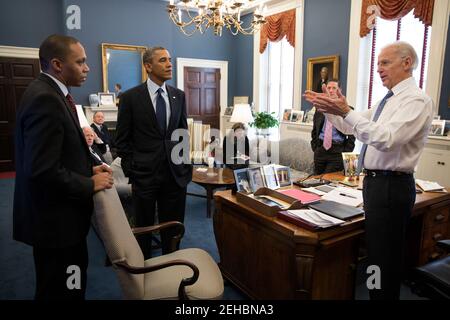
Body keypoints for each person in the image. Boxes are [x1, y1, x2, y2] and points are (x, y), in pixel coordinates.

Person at [304, 41, 433, 300]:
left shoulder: (417, 101)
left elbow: (386, 138)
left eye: (385, 63)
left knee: (384, 259)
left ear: (407, 63)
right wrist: (331, 111)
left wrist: (345, 111)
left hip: (391, 186)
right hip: (375, 184)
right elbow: (353, 126)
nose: (379, 69)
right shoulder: (386, 101)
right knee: (377, 252)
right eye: (377, 64)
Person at [13, 34, 114, 300]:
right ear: (57, 64)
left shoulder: (53, 93)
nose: (87, 68)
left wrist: (88, 169)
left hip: (59, 220)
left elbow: (59, 155)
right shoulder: (45, 98)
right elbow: (42, 170)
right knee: (62, 291)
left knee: (67, 286)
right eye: (80, 62)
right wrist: (89, 183)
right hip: (56, 225)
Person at [115, 46, 192, 258]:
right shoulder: (130, 98)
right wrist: (133, 170)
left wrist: (185, 168)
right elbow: (122, 140)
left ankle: (173, 265)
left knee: (173, 229)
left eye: (170, 59)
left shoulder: (179, 96)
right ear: (148, 66)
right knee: (144, 230)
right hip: (144, 177)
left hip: (175, 177)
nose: (169, 64)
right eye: (162, 60)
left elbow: (182, 133)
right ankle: (145, 272)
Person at [310, 79, 355, 174]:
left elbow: (352, 134)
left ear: (339, 90)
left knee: (329, 182)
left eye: (334, 88)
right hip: (320, 150)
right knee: (315, 181)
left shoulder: (347, 109)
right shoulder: (319, 109)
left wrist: (346, 151)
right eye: (328, 88)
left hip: (337, 152)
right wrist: (315, 148)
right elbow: (315, 130)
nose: (330, 90)